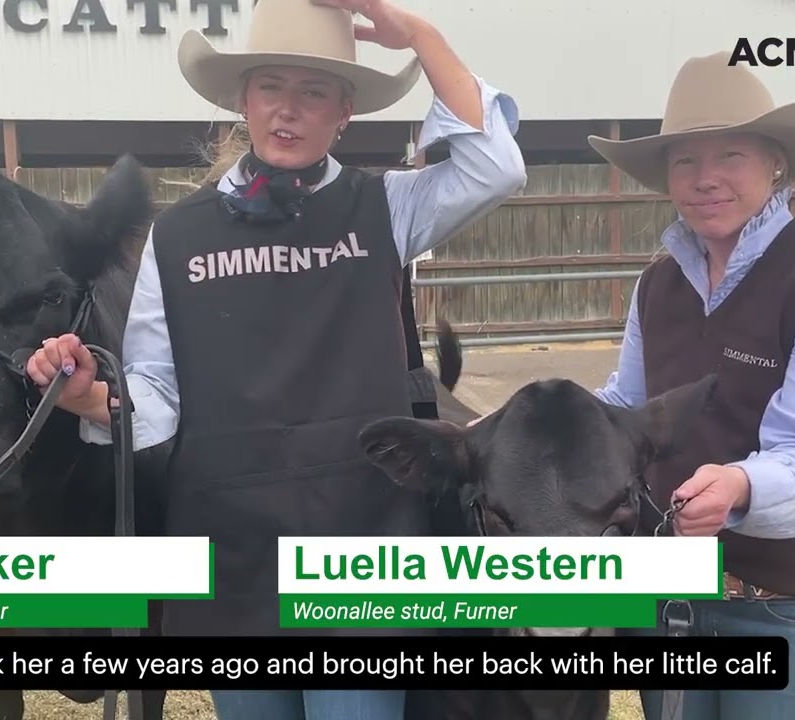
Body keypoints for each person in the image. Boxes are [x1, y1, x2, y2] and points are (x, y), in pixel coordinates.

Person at [26, 0, 526, 718]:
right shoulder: (179, 235)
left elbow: (496, 167)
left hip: (362, 549)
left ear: (344, 113)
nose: (288, 111)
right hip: (235, 551)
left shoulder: (383, 207)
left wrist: (418, 36)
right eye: (271, 88)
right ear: (242, 100)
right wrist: (92, 399)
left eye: (313, 92)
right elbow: (157, 391)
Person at [586, 52, 795, 718]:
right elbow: (625, 408)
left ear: (775, 162)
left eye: (731, 155)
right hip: (669, 595)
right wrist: (524, 427)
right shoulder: (657, 284)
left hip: (776, 605)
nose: (706, 180)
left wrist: (738, 487)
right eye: (685, 161)